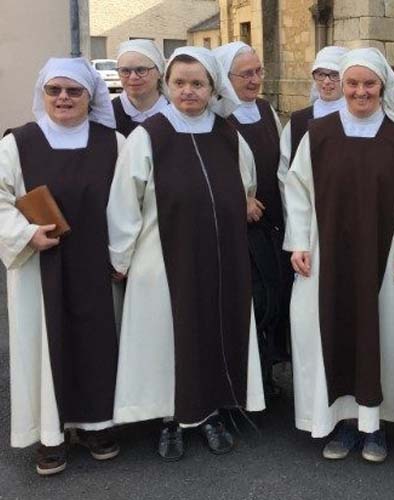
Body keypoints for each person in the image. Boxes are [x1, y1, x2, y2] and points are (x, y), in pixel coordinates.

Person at [107, 46, 265, 462]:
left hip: (220, 257)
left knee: (214, 330)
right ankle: (171, 419)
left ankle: (211, 412)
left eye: (197, 83)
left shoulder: (227, 134)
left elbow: (246, 183)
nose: (188, 91)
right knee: (168, 338)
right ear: (167, 85)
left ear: (213, 88)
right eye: (179, 83)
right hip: (162, 258)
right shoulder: (149, 136)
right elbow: (124, 201)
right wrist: (121, 257)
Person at [283, 47, 394, 463]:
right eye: (352, 84)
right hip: (327, 254)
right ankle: (343, 421)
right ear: (341, 86)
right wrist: (300, 242)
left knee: (384, 334)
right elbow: (298, 190)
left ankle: (375, 425)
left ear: (383, 86)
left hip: (387, 254)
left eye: (369, 84)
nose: (360, 92)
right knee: (331, 327)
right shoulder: (318, 134)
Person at [0, 58, 124, 476]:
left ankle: (96, 426)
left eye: (74, 91)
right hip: (41, 264)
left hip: (98, 266)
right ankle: (50, 436)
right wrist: (25, 234)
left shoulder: (114, 143)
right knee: (43, 346)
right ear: (43, 94)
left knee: (98, 342)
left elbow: (133, 203)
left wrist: (122, 255)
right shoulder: (18, 143)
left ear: (91, 96)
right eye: (54, 90)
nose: (63, 98)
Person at [214, 41, 290, 398]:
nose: (255, 79)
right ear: (225, 77)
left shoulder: (265, 109)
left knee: (273, 299)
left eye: (258, 71)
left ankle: (267, 374)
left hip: (271, 221)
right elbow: (212, 172)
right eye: (246, 74)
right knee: (250, 301)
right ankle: (244, 382)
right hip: (239, 228)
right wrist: (239, 198)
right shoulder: (218, 117)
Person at [278, 46, 348, 189]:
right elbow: (285, 171)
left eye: (334, 74)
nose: (326, 81)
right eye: (321, 74)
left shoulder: (355, 120)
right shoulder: (298, 121)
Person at [113, 40, 169, 136]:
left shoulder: (176, 115)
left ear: (159, 72)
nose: (133, 77)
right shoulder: (106, 116)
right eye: (125, 71)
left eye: (141, 70)